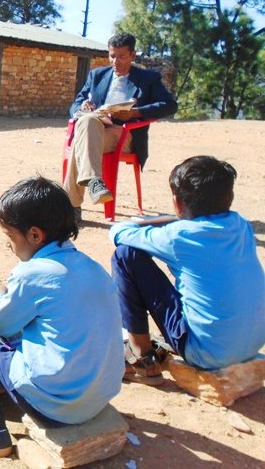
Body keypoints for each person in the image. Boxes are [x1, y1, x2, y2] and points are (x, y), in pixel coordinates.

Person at [0, 177, 123, 458]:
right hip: (101, 397)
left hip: (55, 407)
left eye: (10, 237)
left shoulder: (32, 274)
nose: (9, 245)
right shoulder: (93, 267)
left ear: (35, 236)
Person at [110, 156, 265, 385]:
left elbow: (118, 232)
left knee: (125, 255)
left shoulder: (178, 236)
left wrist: (159, 219)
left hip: (206, 354)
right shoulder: (240, 225)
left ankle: (141, 355)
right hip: (253, 344)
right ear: (229, 197)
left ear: (178, 202)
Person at [65, 32, 177, 216]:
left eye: (122, 56)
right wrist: (83, 106)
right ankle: (94, 182)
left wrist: (135, 112)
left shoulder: (148, 78)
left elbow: (170, 105)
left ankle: (71, 208)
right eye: (112, 56)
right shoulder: (97, 75)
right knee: (87, 120)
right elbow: (76, 104)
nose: (115, 61)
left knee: (81, 141)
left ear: (133, 55)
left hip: (125, 133)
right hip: (95, 126)